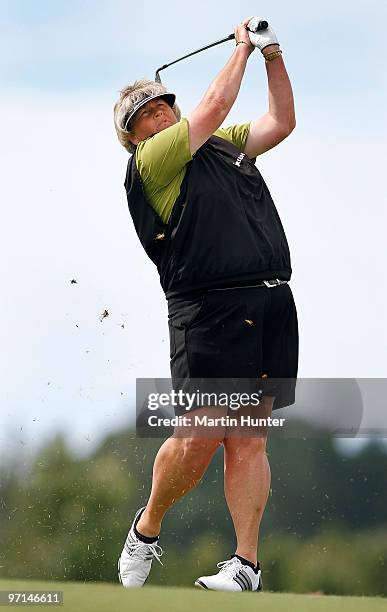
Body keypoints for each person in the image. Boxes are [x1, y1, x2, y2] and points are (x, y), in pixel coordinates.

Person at [113, 16, 298, 592]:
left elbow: (281, 121)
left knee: (248, 436)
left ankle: (246, 565)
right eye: (148, 113)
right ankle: (147, 528)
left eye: (164, 104)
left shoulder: (221, 148)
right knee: (200, 436)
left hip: (268, 303)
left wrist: (271, 56)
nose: (162, 112)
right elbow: (214, 104)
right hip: (208, 311)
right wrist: (241, 47)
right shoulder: (153, 162)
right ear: (137, 134)